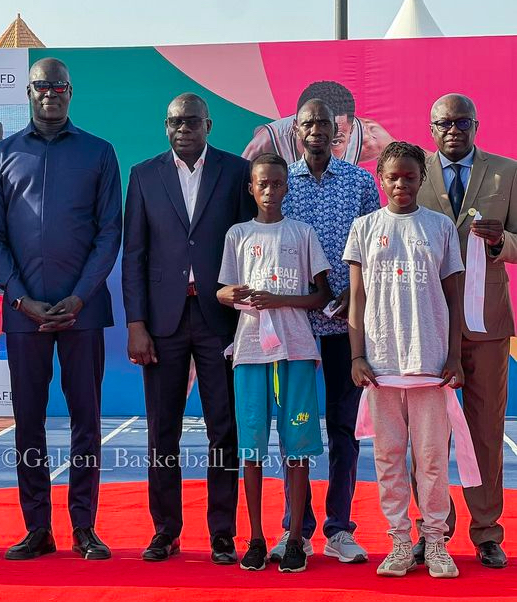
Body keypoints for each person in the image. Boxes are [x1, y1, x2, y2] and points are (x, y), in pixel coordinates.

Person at [0, 58, 122, 561]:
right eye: (42, 86)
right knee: (29, 422)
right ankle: (37, 528)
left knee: (86, 419)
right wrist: (19, 298)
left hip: (82, 311)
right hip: (24, 313)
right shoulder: (2, 156)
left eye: (59, 86)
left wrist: (80, 296)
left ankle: (85, 527)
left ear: (70, 92)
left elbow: (110, 233)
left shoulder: (100, 153)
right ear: (29, 92)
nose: (50, 94)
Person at [122, 93, 254, 564]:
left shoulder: (237, 172)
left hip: (220, 320)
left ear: (209, 124)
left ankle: (222, 532)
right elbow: (133, 256)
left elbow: (247, 245)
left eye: (192, 121)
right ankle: (165, 530)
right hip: (162, 323)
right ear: (165, 125)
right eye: (175, 121)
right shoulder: (143, 175)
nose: (183, 128)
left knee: (225, 428)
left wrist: (246, 322)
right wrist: (136, 324)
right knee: (163, 430)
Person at [345, 141, 464, 578]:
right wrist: (357, 355)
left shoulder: (440, 227)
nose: (401, 184)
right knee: (389, 456)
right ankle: (398, 541)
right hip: (381, 366)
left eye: (409, 176)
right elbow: (356, 301)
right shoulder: (363, 227)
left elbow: (453, 298)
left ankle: (435, 541)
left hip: (430, 364)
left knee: (431, 457)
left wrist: (453, 355)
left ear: (422, 179)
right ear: (381, 179)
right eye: (393, 177)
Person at [272, 98, 380, 564]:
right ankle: (293, 528)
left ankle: (339, 528)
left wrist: (352, 301)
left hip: (344, 326)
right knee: (292, 428)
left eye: (325, 123)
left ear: (337, 131)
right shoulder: (279, 184)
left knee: (343, 427)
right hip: (292, 324)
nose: (317, 130)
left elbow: (377, 247)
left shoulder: (359, 182)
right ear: (297, 130)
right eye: (308, 123)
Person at [414, 93, 517, 569]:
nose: (453, 129)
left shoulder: (507, 172)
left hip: (487, 322)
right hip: (427, 324)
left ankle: (487, 532)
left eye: (462, 121)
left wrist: (501, 241)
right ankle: (432, 528)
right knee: (428, 436)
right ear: (431, 129)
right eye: (443, 123)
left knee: (486, 431)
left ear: (476, 125)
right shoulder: (411, 171)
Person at [217, 153, 331, 573]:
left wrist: (279, 300)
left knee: (296, 448)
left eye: (277, 183)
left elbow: (321, 296)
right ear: (251, 187)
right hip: (249, 352)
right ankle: (256, 539)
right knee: (251, 448)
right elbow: (223, 290)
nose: (269, 191)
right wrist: (226, 295)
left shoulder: (302, 234)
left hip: (297, 351)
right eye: (261, 184)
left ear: (287, 186)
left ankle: (297, 539)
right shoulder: (237, 234)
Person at [242, 81, 394, 166]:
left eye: (335, 140)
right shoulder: (268, 141)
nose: (322, 144)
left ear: (352, 131)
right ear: (296, 127)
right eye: (310, 127)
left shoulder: (372, 141)